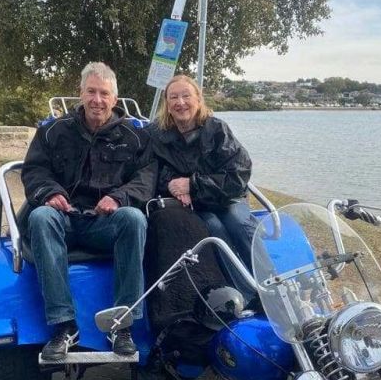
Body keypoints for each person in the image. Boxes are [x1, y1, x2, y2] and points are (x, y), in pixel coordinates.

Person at [21, 62, 156, 360]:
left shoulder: (134, 138)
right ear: (81, 94)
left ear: (115, 100)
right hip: (63, 218)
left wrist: (119, 197)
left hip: (104, 222)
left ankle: (122, 325)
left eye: (104, 93)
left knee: (134, 218)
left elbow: (145, 179)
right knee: (40, 216)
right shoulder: (52, 131)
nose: (97, 100)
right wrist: (50, 192)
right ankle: (63, 326)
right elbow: (33, 171)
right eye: (91, 92)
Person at [147, 75, 257, 274]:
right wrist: (174, 185)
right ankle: (245, 289)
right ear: (167, 104)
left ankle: (272, 283)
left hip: (226, 198)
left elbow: (239, 173)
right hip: (194, 204)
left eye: (186, 96)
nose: (180, 103)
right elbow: (153, 169)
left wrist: (192, 184)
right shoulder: (157, 134)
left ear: (198, 99)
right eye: (173, 97)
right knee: (213, 228)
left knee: (239, 224)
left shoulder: (217, 129)